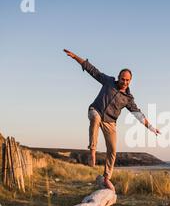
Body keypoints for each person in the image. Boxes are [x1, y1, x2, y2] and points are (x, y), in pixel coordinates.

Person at [63, 49, 160, 190]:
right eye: (122, 79)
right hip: (95, 110)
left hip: (110, 122)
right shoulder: (108, 82)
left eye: (127, 80)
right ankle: (92, 151)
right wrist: (76, 57)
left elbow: (138, 114)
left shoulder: (128, 99)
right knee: (95, 119)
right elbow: (93, 70)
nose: (124, 82)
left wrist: (151, 128)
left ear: (130, 81)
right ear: (118, 77)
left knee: (113, 150)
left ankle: (106, 177)